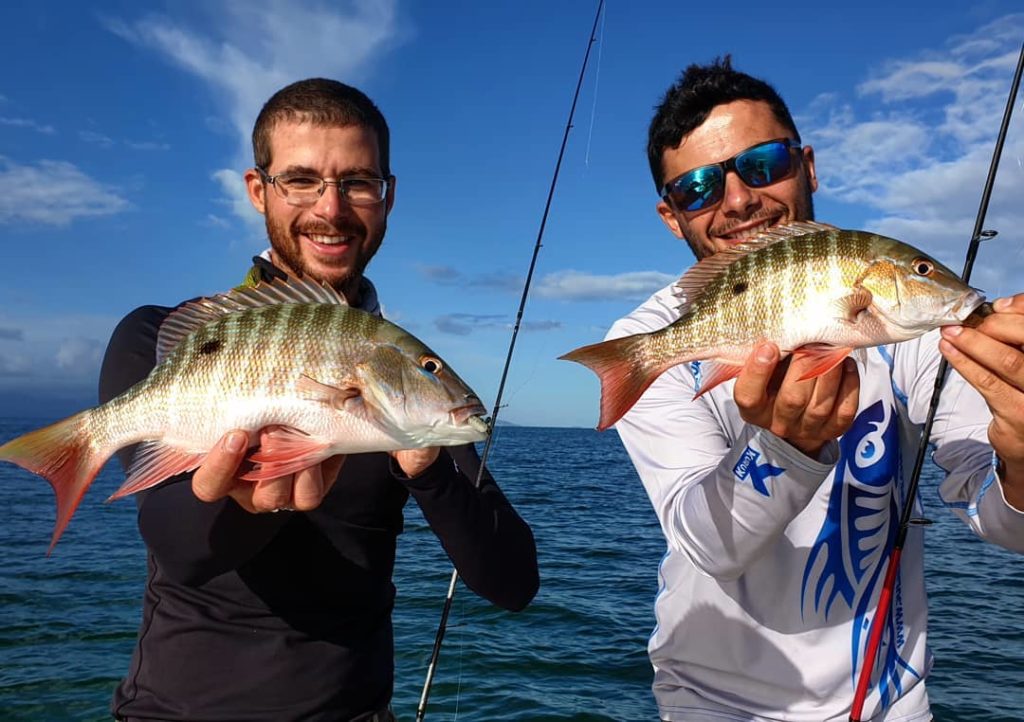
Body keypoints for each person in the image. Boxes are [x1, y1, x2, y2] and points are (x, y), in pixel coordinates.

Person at [101, 78, 539, 722]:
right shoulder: (168, 338)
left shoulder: (403, 378)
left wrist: (425, 461)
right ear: (259, 190)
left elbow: (512, 582)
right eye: (301, 180)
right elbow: (180, 549)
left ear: (388, 197)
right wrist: (251, 502)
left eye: (359, 182)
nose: (331, 209)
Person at [605, 57, 1024, 721]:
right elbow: (707, 544)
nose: (738, 199)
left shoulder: (910, 324)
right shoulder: (651, 339)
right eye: (698, 189)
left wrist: (1020, 457)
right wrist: (786, 449)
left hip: (888, 700)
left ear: (808, 166)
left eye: (765, 163)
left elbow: (999, 516)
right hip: (712, 702)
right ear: (670, 215)